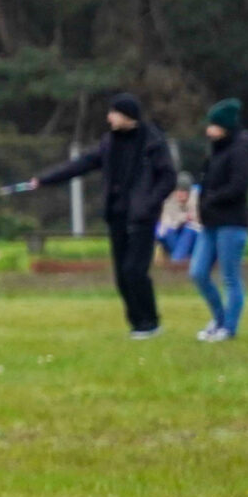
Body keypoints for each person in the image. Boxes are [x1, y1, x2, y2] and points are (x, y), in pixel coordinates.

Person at [33, 92, 178, 339]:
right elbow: (80, 165)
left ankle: (150, 323)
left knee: (135, 270)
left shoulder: (152, 141)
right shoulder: (109, 142)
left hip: (142, 218)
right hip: (117, 216)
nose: (108, 117)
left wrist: (149, 205)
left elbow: (168, 178)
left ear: (126, 115)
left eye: (113, 113)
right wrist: (45, 180)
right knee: (122, 274)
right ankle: (137, 324)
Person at [191, 98, 248, 342]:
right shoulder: (217, 149)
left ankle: (229, 328)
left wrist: (210, 200)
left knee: (230, 277)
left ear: (225, 125)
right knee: (198, 272)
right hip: (209, 223)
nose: (208, 130)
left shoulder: (241, 149)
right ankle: (219, 319)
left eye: (213, 125)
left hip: (231, 222)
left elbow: (238, 186)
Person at [155, 178, 200, 267]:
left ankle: (177, 260)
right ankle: (179, 259)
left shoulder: (195, 198)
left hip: (195, 236)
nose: (180, 194)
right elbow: (166, 220)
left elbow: (196, 220)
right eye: (178, 191)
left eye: (183, 191)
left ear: (189, 192)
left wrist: (182, 220)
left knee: (189, 229)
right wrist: (183, 218)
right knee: (164, 230)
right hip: (176, 233)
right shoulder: (169, 200)